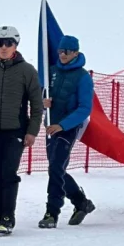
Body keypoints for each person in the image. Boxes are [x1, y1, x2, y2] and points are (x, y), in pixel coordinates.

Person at [0, 26, 43, 235]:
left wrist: (32, 131)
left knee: (8, 174)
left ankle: (8, 216)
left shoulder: (27, 71)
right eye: (0, 43)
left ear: (16, 45)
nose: (4, 47)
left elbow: (37, 105)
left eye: (8, 43)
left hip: (15, 131)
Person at [38, 35, 96, 228]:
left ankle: (51, 213)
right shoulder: (50, 72)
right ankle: (81, 202)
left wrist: (63, 125)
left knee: (55, 168)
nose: (62, 55)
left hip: (67, 129)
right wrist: (42, 101)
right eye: (60, 51)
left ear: (76, 53)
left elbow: (84, 108)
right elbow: (40, 95)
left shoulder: (83, 77)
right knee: (56, 169)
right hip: (50, 126)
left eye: (67, 52)